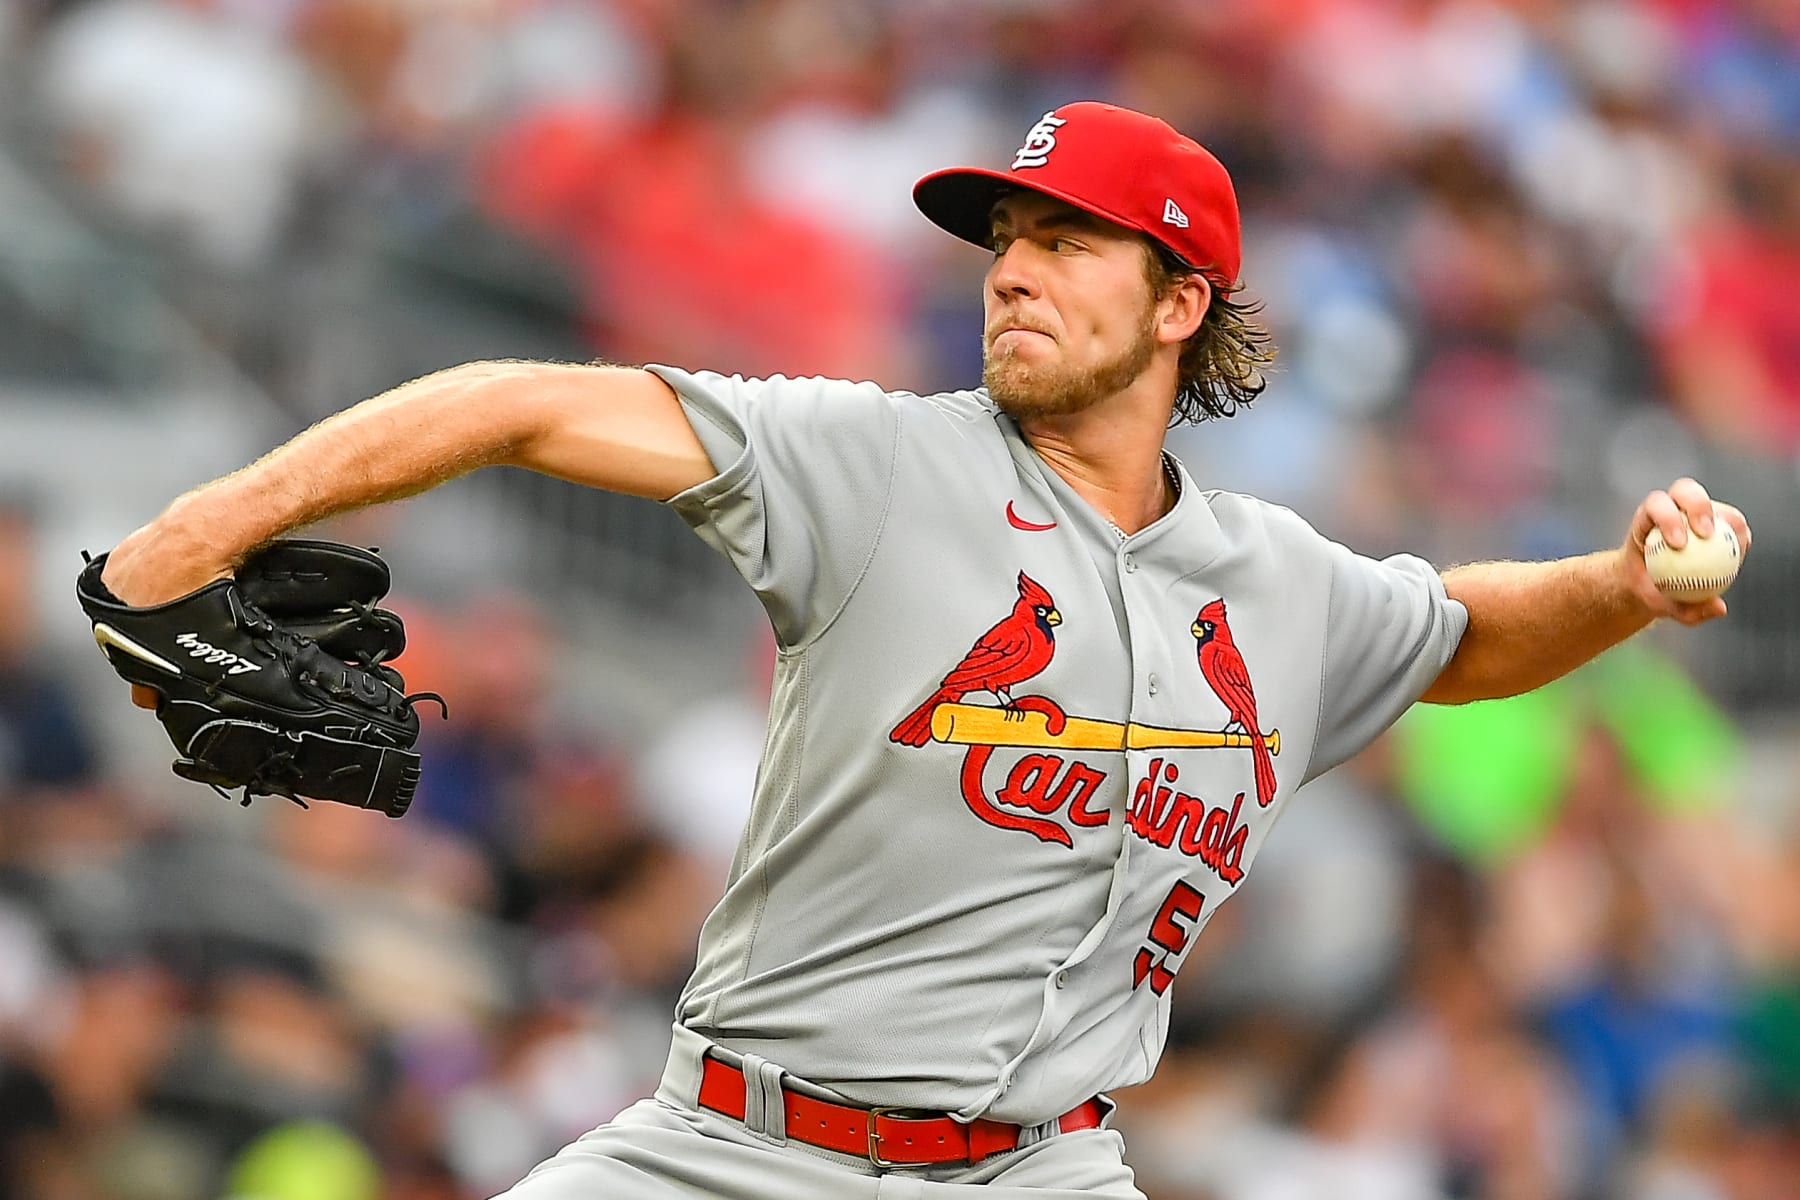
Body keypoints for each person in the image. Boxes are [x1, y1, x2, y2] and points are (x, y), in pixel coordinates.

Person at [97, 102, 1751, 1199]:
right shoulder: (872, 462)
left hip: (1044, 1170)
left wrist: (1625, 583)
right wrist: (204, 530)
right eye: (1003, 240)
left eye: (1067, 243)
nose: (1013, 272)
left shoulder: (1280, 582)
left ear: (1182, 302)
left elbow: (1459, 633)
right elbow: (525, 401)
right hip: (738, 1153)